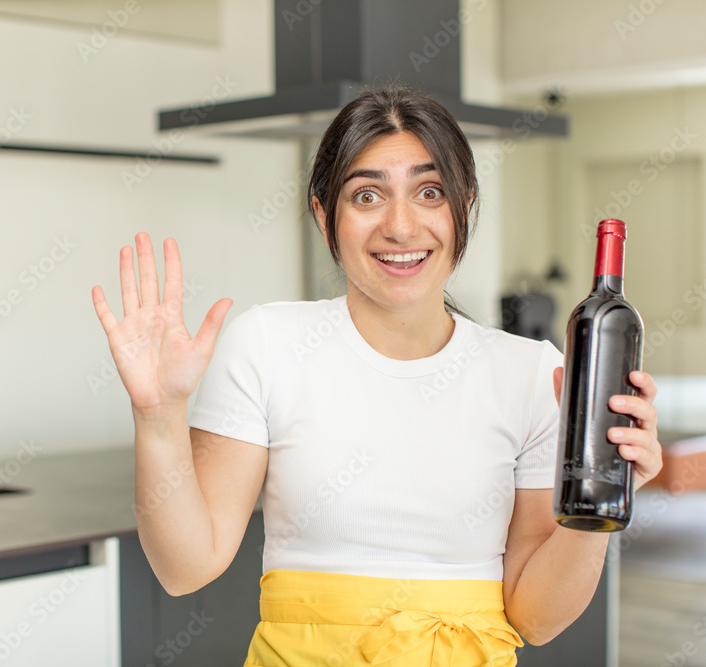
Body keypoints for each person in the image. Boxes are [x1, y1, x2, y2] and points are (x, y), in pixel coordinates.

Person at [91, 85, 663, 666]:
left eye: (430, 192)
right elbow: (186, 568)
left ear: (464, 206)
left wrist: (603, 506)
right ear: (324, 216)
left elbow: (536, 619)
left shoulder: (535, 374)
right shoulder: (267, 344)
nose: (401, 225)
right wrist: (158, 415)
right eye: (367, 195)